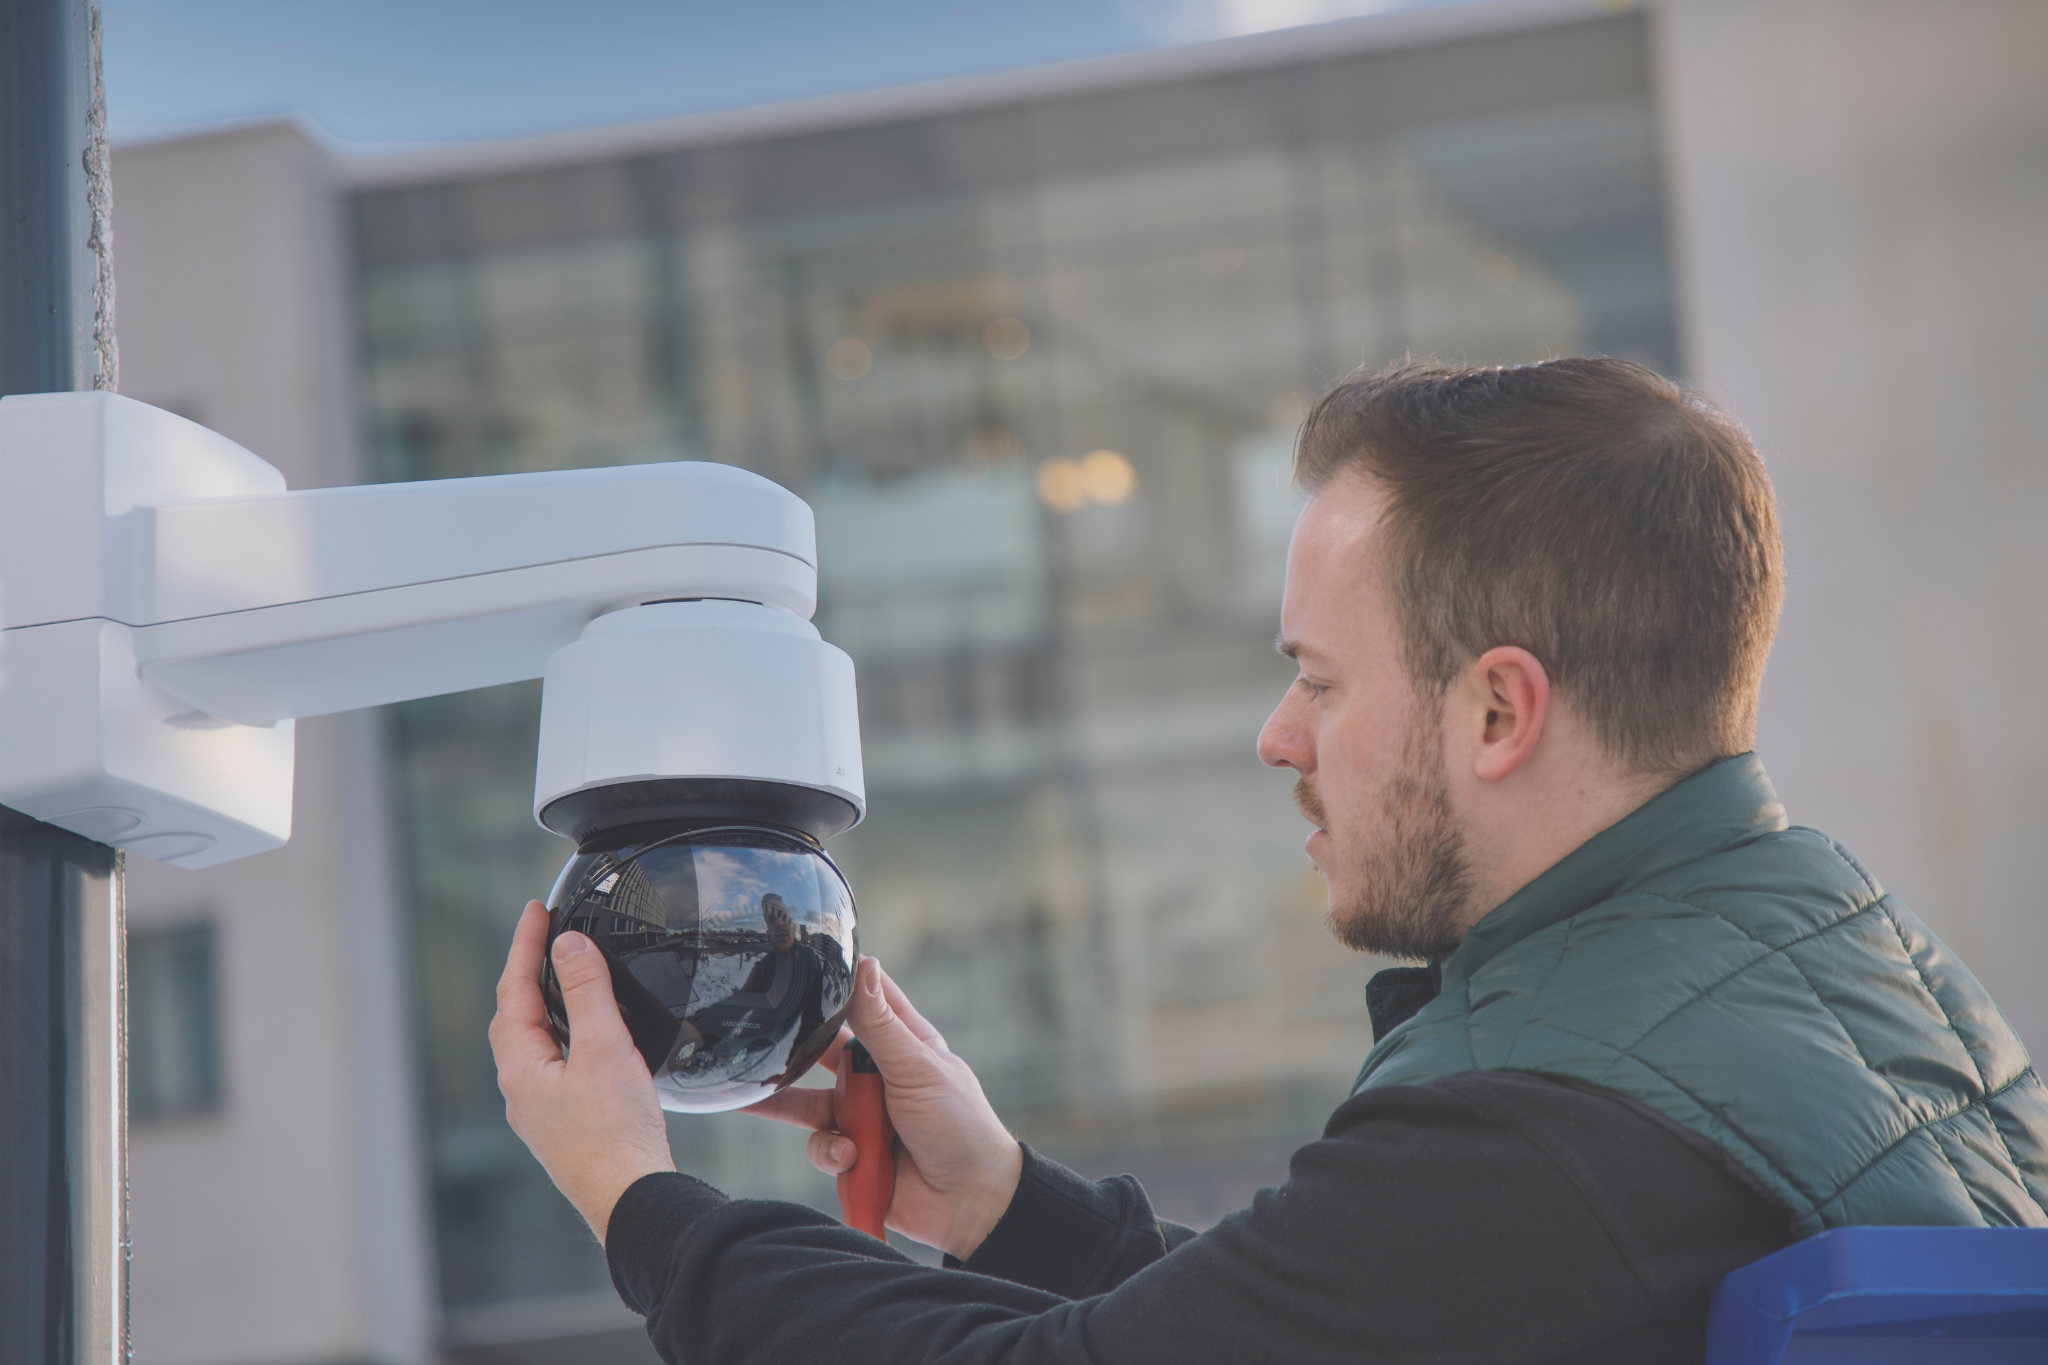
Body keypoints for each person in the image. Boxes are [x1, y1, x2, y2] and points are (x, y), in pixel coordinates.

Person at [489, 359, 2048, 1365]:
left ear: (1498, 707)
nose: (1277, 739)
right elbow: (1338, 1317)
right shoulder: (1829, 959)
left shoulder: (1557, 1129)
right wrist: (1004, 1199)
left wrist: (640, 1200)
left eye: (1320, 679)